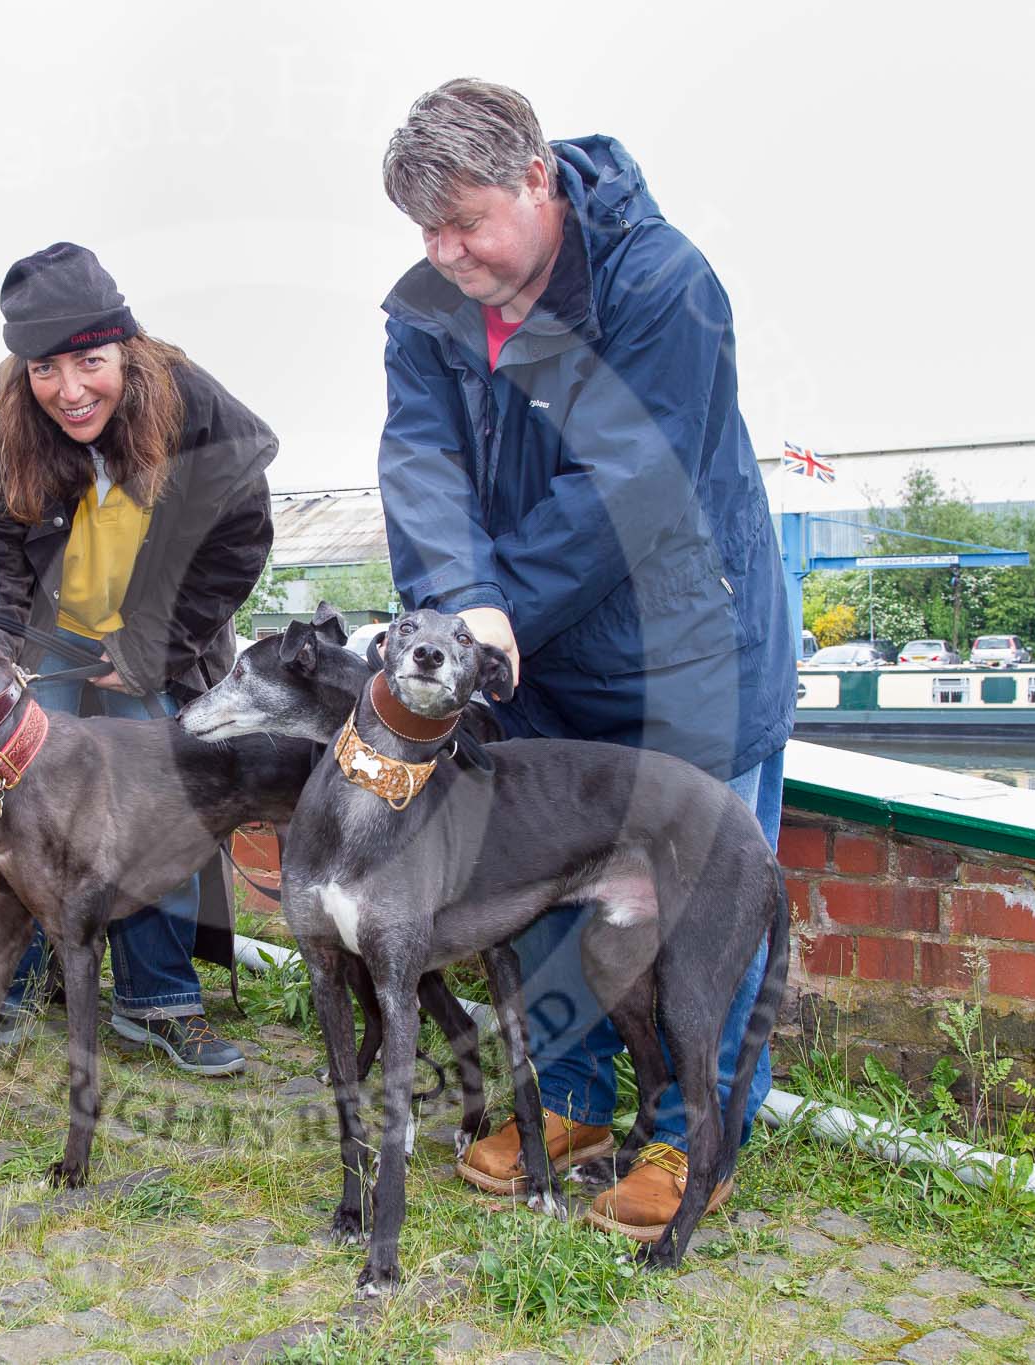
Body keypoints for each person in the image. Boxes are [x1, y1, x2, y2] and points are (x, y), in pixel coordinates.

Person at [376, 80, 795, 1242]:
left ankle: (689, 1135)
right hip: (533, 657)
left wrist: (497, 601)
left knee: (696, 912)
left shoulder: (662, 284)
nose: (444, 253)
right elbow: (418, 464)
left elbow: (632, 482)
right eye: (424, 231)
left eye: (465, 222)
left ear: (535, 179)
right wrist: (465, 603)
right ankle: (562, 1103)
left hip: (685, 662)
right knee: (545, 893)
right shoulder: (425, 306)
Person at [0, 243, 276, 1076]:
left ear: (126, 347)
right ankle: (2, 989)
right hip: (40, 642)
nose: (70, 389)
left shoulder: (193, 408)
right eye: (46, 368)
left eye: (90, 361)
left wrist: (154, 644)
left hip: (154, 639)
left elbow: (239, 541)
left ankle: (159, 1001)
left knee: (156, 798)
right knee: (11, 799)